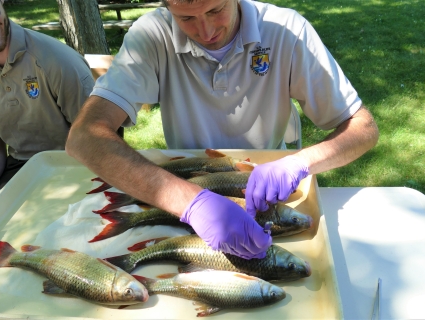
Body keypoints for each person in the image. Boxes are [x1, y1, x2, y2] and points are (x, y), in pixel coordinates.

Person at [66, 0, 379, 259]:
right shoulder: (152, 35)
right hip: (185, 198)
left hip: (272, 194)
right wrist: (193, 203)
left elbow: (363, 127)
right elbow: (84, 138)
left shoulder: (287, 31)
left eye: (216, 10)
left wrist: (300, 162)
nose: (206, 30)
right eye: (186, 17)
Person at [0, 0, 94, 189]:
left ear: (1, 3)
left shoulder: (58, 62)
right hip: (19, 167)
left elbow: (99, 139)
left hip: (76, 165)